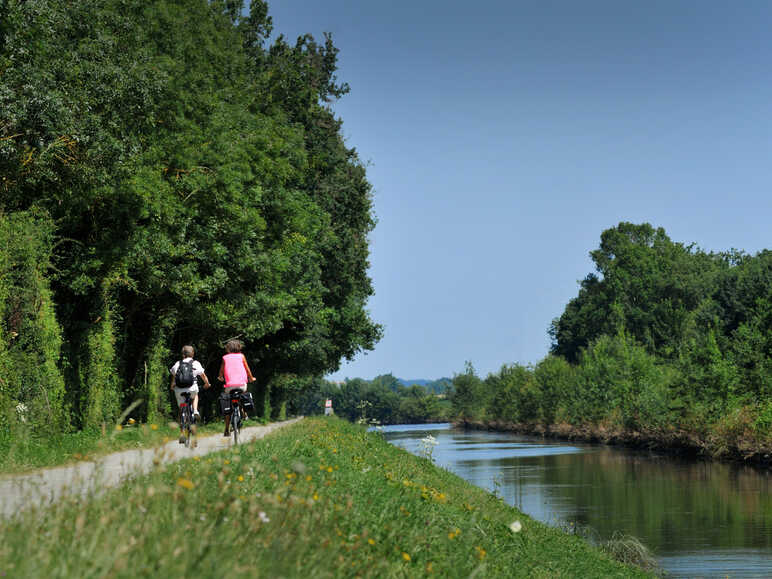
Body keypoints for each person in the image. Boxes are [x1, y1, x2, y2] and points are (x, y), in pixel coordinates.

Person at [169, 345, 211, 443]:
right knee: (195, 395)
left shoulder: (177, 364)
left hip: (179, 390)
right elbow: (203, 376)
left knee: (181, 409)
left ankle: (182, 432)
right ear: (193, 354)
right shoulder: (196, 363)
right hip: (192, 389)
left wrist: (172, 386)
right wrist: (207, 384)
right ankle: (195, 410)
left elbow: (174, 378)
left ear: (183, 355)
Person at [217, 339, 255, 437]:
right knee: (242, 394)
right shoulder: (241, 356)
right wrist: (251, 378)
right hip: (242, 385)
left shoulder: (224, 358)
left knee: (229, 403)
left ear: (228, 349)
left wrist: (220, 377)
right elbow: (247, 369)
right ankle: (243, 412)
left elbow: (221, 371)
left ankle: (226, 429)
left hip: (229, 386)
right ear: (239, 348)